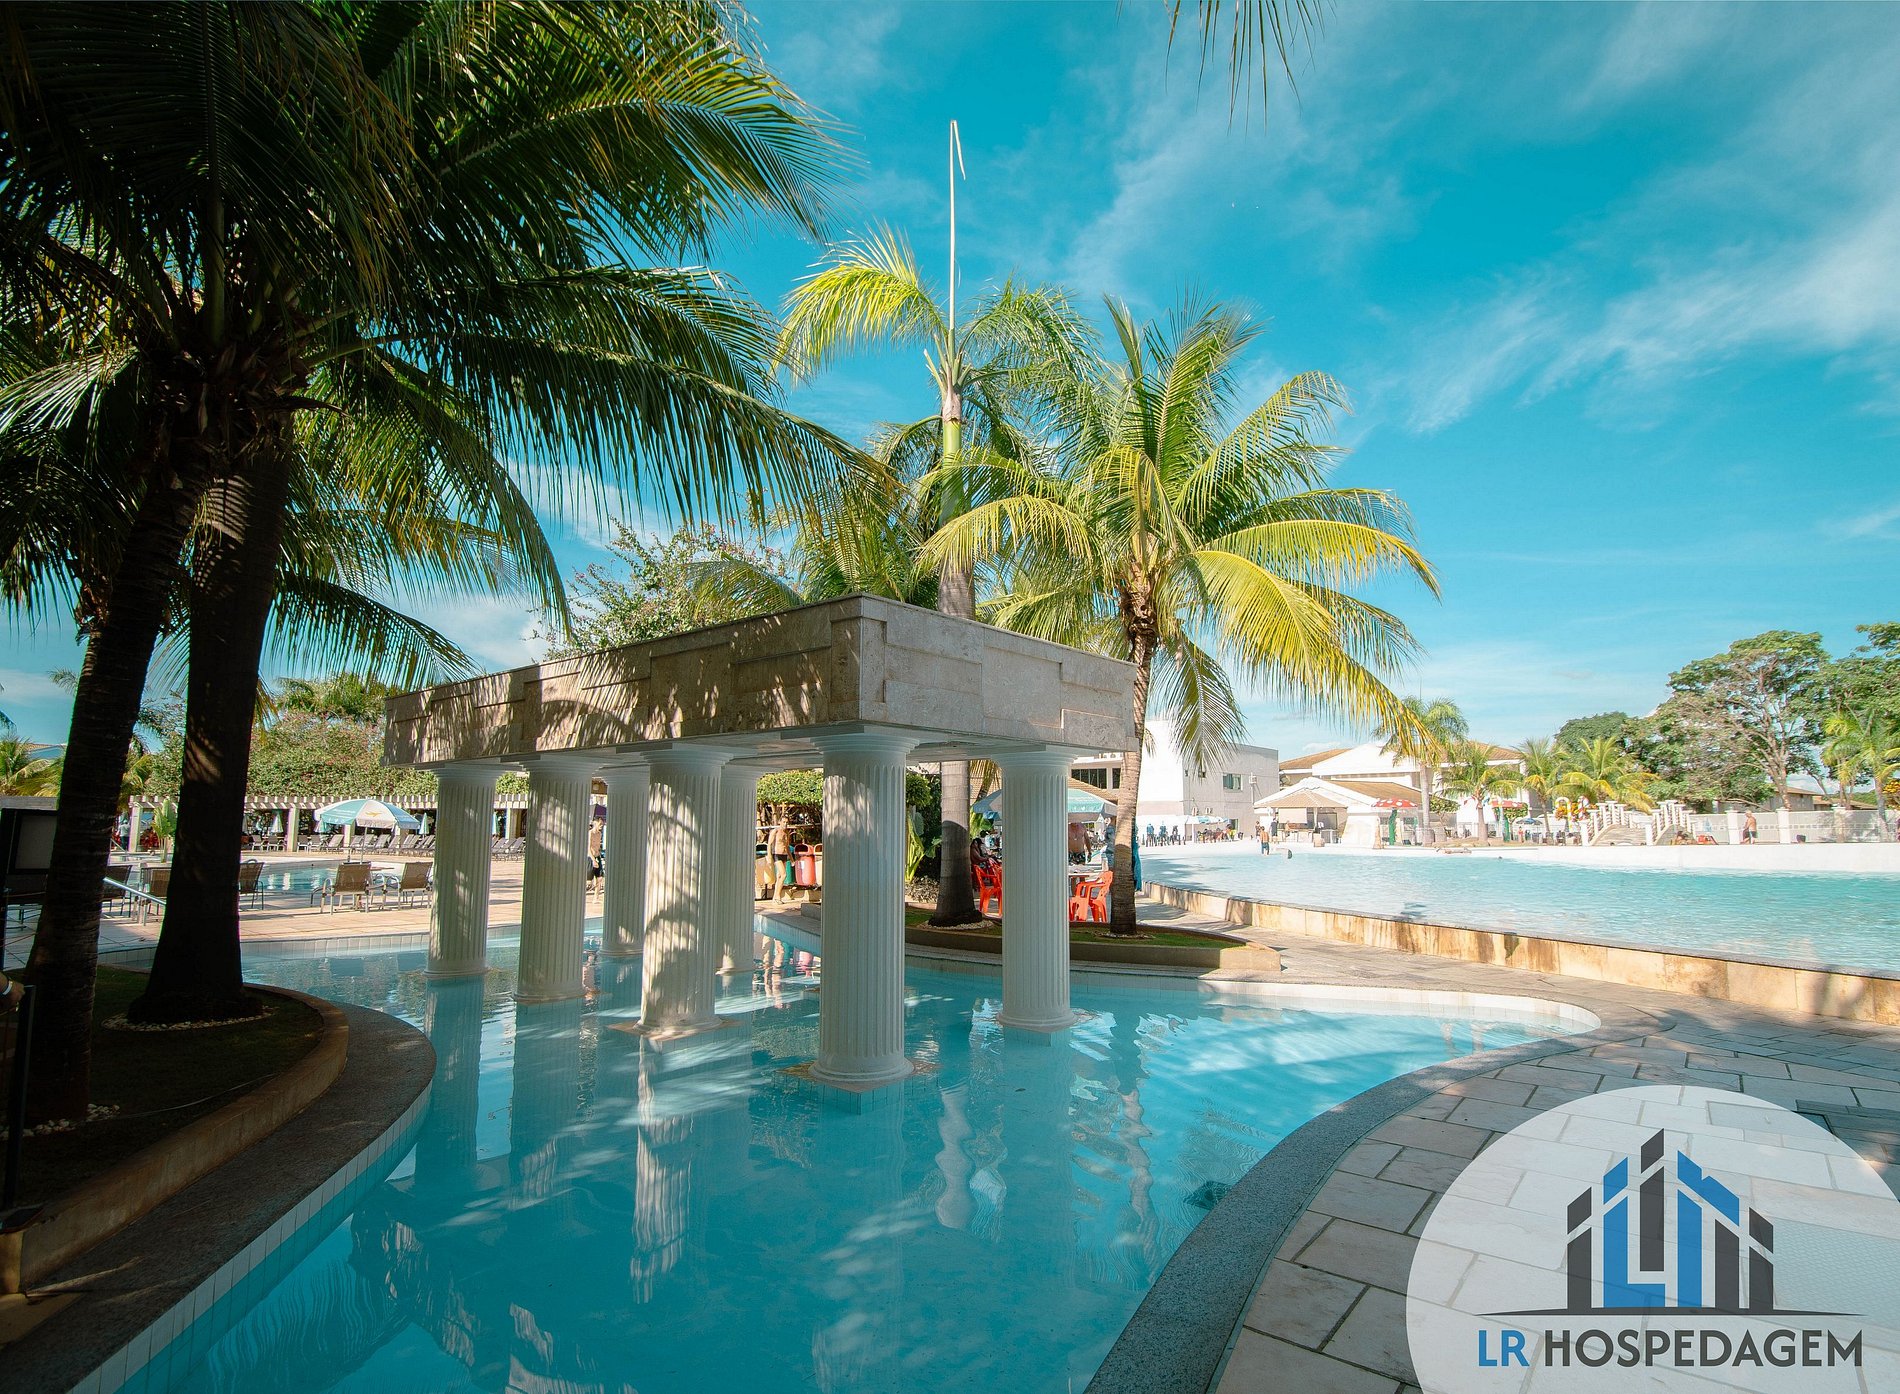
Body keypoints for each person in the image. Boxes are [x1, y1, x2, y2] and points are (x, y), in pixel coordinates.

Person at [769, 822, 795, 903]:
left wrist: (791, 859)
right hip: (777, 854)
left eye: (787, 822)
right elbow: (769, 844)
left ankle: (775, 898)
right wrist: (769, 856)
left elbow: (787, 847)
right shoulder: (775, 831)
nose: (785, 824)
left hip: (784, 855)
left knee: (779, 876)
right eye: (783, 822)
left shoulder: (786, 833)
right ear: (780, 822)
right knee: (784, 875)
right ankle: (778, 896)